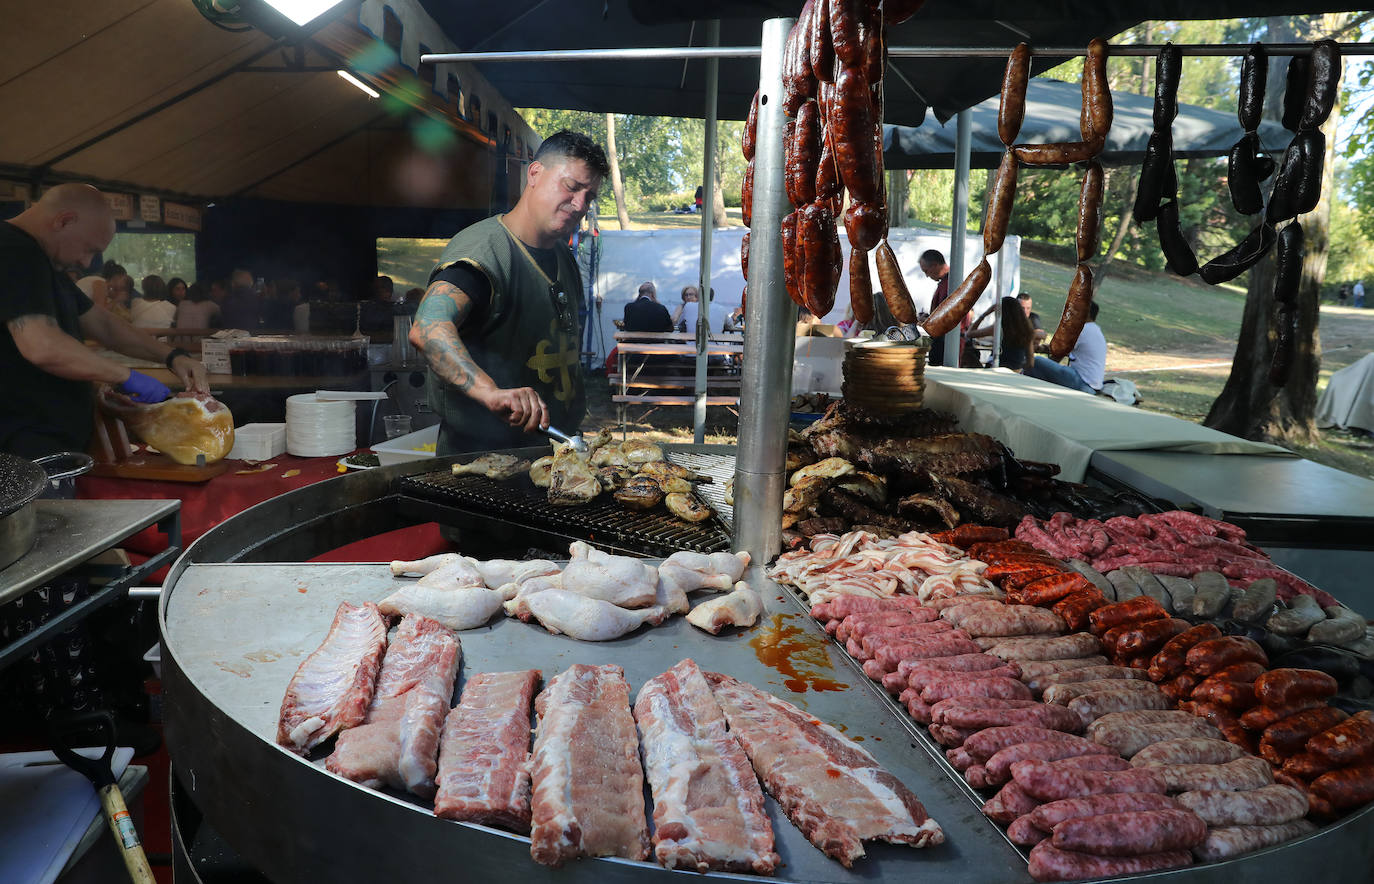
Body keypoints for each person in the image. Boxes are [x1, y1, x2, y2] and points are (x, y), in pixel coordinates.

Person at [410, 129, 608, 455]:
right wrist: (490, 392)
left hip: (554, 453)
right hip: (481, 463)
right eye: (571, 187)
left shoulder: (564, 259)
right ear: (534, 173)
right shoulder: (486, 250)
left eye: (589, 196)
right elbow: (428, 329)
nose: (579, 205)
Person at [0, 183, 208, 458]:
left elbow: (103, 324)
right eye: (88, 249)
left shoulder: (43, 260)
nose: (87, 263)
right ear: (64, 221)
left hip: (47, 442)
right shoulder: (13, 250)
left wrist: (173, 356)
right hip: (19, 449)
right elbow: (42, 345)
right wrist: (124, 376)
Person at [1026, 301, 1106, 393]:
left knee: (1037, 362)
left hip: (1082, 383)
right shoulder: (1094, 329)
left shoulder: (1081, 329)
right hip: (1092, 385)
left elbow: (1058, 354)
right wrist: (1042, 349)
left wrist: (1043, 363)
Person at [919, 249, 971, 365]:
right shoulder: (948, 282)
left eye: (926, 271)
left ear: (935, 265)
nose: (927, 275)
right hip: (945, 341)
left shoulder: (952, 283)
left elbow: (946, 317)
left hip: (947, 343)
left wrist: (927, 320)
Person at [968, 296, 1035, 371]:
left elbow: (969, 333)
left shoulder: (999, 328)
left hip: (997, 369)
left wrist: (985, 314)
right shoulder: (1027, 329)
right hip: (1016, 372)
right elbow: (1031, 363)